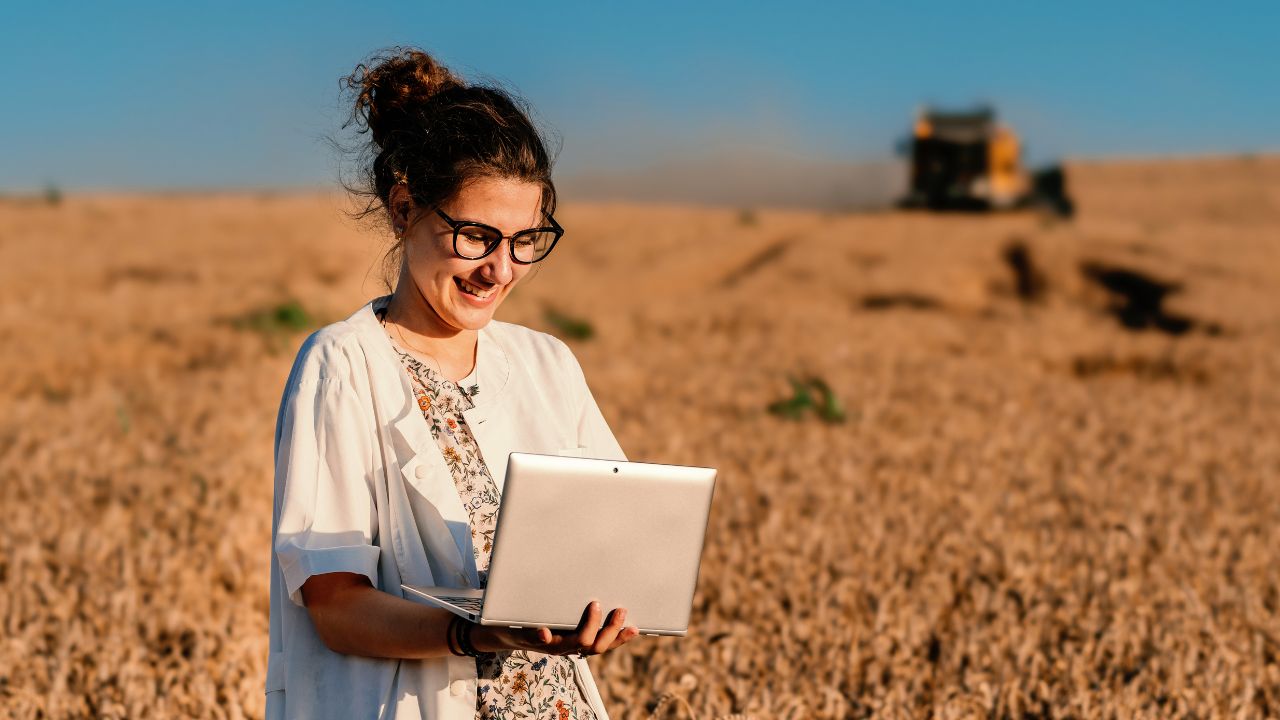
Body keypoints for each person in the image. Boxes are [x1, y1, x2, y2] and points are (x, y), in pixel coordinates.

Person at [265, 47, 639, 720]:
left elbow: (616, 546)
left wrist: (611, 605)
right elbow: (336, 608)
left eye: (526, 240)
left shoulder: (547, 365)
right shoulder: (343, 365)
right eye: (476, 236)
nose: (500, 269)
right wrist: (473, 634)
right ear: (405, 208)